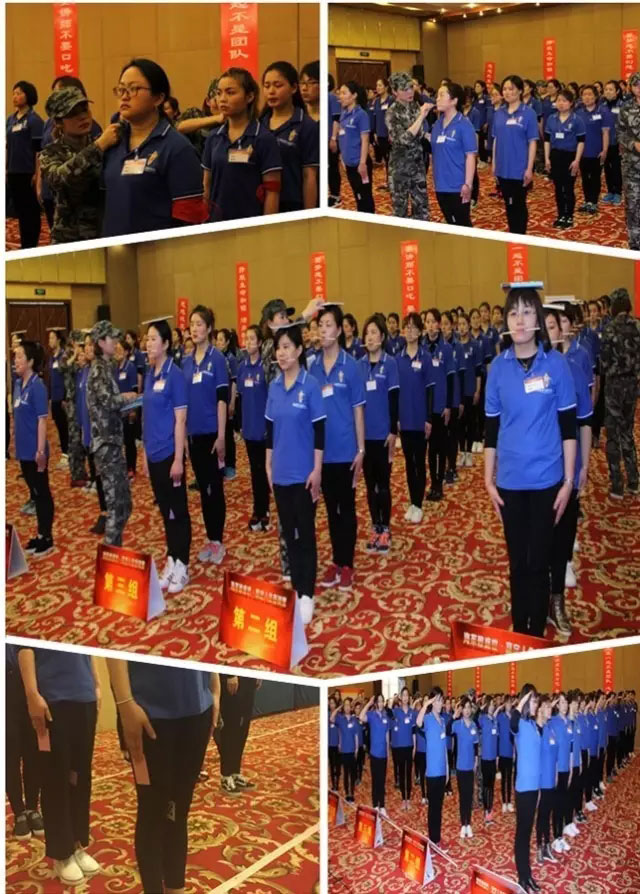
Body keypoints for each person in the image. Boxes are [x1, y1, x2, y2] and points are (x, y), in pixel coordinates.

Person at [484, 286, 577, 637]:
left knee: (538, 562)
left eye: (527, 312)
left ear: (538, 318)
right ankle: (520, 629)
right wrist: (488, 480)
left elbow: (568, 427)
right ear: (506, 321)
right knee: (517, 562)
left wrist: (568, 482)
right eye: (513, 313)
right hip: (509, 482)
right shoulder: (498, 368)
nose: (520, 320)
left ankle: (534, 632)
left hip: (546, 482)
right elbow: (491, 430)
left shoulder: (556, 365)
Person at [107, 659, 219, 894]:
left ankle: (175, 888)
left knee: (178, 811)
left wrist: (215, 689)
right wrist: (125, 704)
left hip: (198, 708)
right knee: (152, 812)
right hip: (151, 712)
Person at [17, 647, 101, 887]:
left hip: (84, 696)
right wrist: (32, 693)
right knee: (56, 778)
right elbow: (25, 648)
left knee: (80, 778)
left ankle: (77, 844)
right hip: (53, 699)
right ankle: (62, 854)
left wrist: (96, 684)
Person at [103, 58, 207, 236]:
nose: (125, 96)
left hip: (157, 249)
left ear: (158, 98)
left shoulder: (177, 148)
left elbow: (189, 220)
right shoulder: (113, 141)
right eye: (121, 89)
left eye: (134, 89)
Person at [265, 324, 326, 625]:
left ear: (300, 350)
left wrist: (317, 470)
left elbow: (319, 431)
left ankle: (307, 593)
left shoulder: (310, 385)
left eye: (288, 347)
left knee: (306, 534)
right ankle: (297, 587)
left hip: (304, 474)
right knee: (289, 534)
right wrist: (268, 465)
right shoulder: (274, 387)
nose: (282, 353)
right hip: (280, 473)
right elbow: (269, 430)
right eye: (279, 348)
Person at [544, 304, 592, 634]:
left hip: (568, 469)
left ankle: (557, 599)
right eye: (547, 326)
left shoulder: (574, 367)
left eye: (556, 325)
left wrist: (584, 464)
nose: (553, 331)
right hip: (538, 472)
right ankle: (539, 596)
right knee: (538, 538)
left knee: (563, 537)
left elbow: (585, 422)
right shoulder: (530, 371)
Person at [310, 304, 365, 593]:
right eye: (320, 325)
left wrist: (361, 450)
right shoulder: (313, 367)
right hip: (323, 452)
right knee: (331, 509)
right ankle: (336, 559)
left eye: (328, 325)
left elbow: (358, 410)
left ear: (340, 329)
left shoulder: (351, 366)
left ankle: (347, 564)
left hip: (346, 450)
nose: (323, 330)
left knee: (346, 508)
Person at [142, 317, 191, 594]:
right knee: (165, 510)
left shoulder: (175, 375)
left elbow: (180, 419)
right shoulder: (151, 374)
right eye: (147, 339)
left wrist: (178, 459)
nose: (148, 343)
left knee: (178, 510)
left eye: (153, 339)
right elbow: (147, 416)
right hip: (153, 453)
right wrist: (144, 453)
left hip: (170, 453)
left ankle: (182, 563)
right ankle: (172, 558)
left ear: (166, 344)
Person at [182, 305, 229, 564]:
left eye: (199, 324)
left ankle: (217, 541)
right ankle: (211, 539)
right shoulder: (186, 362)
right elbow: (184, 404)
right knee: (203, 489)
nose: (195, 329)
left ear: (209, 328)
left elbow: (222, 399)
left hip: (212, 433)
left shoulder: (217, 359)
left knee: (214, 489)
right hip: (194, 434)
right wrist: (184, 436)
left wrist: (221, 436)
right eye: (192, 324)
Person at [202, 67, 282, 221]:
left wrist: (268, 227)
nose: (222, 99)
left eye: (230, 92)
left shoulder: (264, 138)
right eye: (218, 93)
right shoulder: (213, 137)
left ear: (250, 96)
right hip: (217, 221)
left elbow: (272, 191)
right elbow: (206, 184)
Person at [38, 86, 116, 243]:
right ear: (59, 122)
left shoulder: (103, 145)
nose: (82, 117)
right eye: (73, 113)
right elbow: (59, 179)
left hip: (102, 232)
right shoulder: (50, 153)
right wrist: (98, 147)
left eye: (85, 110)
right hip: (69, 237)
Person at [86, 321, 137, 546]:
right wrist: (127, 398)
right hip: (106, 445)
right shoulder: (99, 369)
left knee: (124, 503)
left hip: (113, 441)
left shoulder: (106, 367)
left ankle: (115, 549)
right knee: (116, 505)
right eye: (111, 338)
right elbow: (109, 402)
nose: (116, 342)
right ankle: (111, 553)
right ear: (100, 342)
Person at [358, 315, 399, 552]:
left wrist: (393, 431)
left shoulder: (390, 363)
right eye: (367, 333)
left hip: (384, 436)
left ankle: (386, 529)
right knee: (370, 485)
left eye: (374, 332)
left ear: (382, 337)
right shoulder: (359, 365)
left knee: (383, 485)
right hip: (365, 437)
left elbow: (394, 399)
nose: (370, 337)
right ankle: (375, 526)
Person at [13, 340, 55, 557]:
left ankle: (47, 537)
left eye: (20, 356)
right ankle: (40, 534)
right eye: (15, 356)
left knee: (42, 492)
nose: (16, 360)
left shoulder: (37, 386)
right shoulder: (18, 385)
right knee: (34, 493)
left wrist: (40, 451)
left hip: (35, 451)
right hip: (23, 450)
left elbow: (42, 421)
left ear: (30, 361)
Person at [261, 61, 319, 211]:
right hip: (259, 203)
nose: (271, 91)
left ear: (293, 88)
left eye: (277, 85)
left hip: (291, 203)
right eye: (267, 86)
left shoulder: (306, 125)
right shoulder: (258, 124)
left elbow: (309, 176)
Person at [599, 287, 640, 498]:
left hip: (614, 386)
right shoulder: (638, 326)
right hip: (632, 384)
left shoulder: (609, 329)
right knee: (628, 431)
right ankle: (634, 481)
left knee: (613, 435)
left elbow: (604, 362)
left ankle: (617, 485)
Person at [396, 312, 433, 522]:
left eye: (413, 327)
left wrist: (429, 419)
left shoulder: (425, 358)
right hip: (404, 419)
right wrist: (396, 418)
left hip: (420, 420)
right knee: (409, 464)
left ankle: (418, 503)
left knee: (419, 462)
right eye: (407, 327)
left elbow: (430, 390)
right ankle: (412, 501)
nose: (409, 331)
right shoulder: (397, 359)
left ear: (420, 332)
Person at [491, 75, 538, 234]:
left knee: (518, 203)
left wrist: (529, 168)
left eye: (511, 89)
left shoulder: (528, 113)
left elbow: (532, 142)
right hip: (503, 166)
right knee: (508, 203)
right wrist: (494, 163)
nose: (507, 92)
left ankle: (520, 234)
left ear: (520, 91)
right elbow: (496, 139)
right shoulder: (499, 113)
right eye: (504, 89)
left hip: (520, 167)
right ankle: (513, 233)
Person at [6, 645, 43, 841]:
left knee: (33, 754)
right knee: (9, 758)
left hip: (28, 688)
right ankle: (19, 812)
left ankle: (32, 808)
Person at [237, 324, 270, 531]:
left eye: (252, 339)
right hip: (249, 428)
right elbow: (241, 398)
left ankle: (264, 510)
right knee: (254, 471)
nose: (248, 342)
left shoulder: (264, 368)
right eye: (246, 338)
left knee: (264, 471)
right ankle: (258, 509)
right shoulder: (242, 368)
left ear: (260, 343)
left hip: (264, 429)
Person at [385, 72, 431, 220]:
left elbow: (420, 133)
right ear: (395, 91)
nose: (410, 92)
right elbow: (403, 139)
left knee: (422, 208)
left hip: (417, 164)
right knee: (400, 211)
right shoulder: (392, 112)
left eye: (411, 87)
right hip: (400, 168)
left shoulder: (415, 106)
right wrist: (421, 117)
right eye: (404, 89)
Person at [431, 81, 477, 226]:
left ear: (454, 100)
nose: (437, 99)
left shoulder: (464, 124)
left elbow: (470, 156)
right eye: (437, 95)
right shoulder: (437, 125)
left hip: (458, 185)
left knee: (462, 225)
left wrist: (468, 184)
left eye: (442, 95)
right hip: (440, 184)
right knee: (451, 222)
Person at [510, 685, 541, 893]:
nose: (536, 704)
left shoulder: (533, 725)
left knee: (528, 832)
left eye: (536, 701)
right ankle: (522, 876)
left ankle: (528, 874)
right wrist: (523, 700)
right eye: (534, 700)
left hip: (534, 787)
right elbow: (513, 719)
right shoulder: (519, 723)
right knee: (522, 833)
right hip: (523, 787)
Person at [7, 80, 43, 248]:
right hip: (13, 171)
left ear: (28, 96)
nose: (15, 96)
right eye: (14, 93)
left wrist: (37, 173)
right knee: (20, 211)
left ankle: (31, 244)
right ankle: (24, 243)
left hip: (28, 172)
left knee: (31, 211)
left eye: (19, 93)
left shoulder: (34, 120)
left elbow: (38, 150)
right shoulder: (10, 120)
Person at [424, 309, 455, 502]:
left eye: (433, 322)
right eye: (427, 322)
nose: (430, 325)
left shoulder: (447, 348)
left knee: (440, 447)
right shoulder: (422, 348)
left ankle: (439, 485)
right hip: (426, 407)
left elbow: (451, 379)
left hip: (441, 406)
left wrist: (449, 406)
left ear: (439, 324)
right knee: (430, 448)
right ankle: (433, 482)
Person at [544, 89, 586, 229]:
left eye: (564, 101)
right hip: (555, 155)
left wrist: (577, 160)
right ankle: (561, 214)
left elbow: (581, 142)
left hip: (570, 156)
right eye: (558, 100)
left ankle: (569, 216)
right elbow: (547, 140)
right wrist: (547, 158)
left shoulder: (577, 120)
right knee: (558, 187)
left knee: (568, 187)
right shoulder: (551, 118)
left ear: (571, 103)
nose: (561, 103)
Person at [216, 675, 260, 796]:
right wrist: (230, 675)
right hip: (233, 677)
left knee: (243, 728)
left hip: (248, 678)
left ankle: (235, 772)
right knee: (230, 728)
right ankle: (225, 776)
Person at [415, 688, 449, 846]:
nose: (441, 703)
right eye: (438, 700)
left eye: (442, 700)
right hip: (432, 772)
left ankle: (437, 839)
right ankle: (433, 840)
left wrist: (447, 768)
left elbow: (444, 747)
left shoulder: (442, 721)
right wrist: (425, 704)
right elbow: (418, 722)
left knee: (439, 807)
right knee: (433, 808)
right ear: (433, 702)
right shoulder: (427, 719)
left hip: (442, 770)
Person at [337, 81, 375, 213]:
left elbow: (365, 140)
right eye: (340, 93)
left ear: (354, 95)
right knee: (357, 196)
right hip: (349, 164)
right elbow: (342, 136)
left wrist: (362, 163)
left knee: (365, 197)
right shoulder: (343, 114)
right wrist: (342, 158)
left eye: (344, 93)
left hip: (360, 164)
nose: (340, 96)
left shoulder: (361, 114)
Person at [576, 85, 611, 214]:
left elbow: (605, 133)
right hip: (582, 152)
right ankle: (587, 201)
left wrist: (605, 150)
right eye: (584, 94)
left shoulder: (603, 111)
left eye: (590, 94)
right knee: (585, 178)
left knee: (595, 178)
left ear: (596, 96)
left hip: (597, 151)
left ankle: (594, 202)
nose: (587, 97)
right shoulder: (578, 112)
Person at [617, 71, 640, 250]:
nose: (639, 88)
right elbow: (620, 133)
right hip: (632, 165)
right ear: (631, 87)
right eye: (636, 85)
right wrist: (633, 144)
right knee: (632, 205)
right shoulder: (625, 109)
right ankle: (635, 243)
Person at [457, 314, 482, 468]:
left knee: (471, 422)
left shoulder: (475, 345)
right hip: (458, 392)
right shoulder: (455, 346)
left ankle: (469, 453)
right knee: (460, 423)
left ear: (468, 326)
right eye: (459, 324)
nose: (462, 327)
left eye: (464, 324)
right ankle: (462, 452)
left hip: (471, 389)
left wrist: (478, 390)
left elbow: (478, 371)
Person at [536, 696, 559, 865]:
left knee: (548, 814)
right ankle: (540, 847)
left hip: (552, 779)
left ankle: (547, 846)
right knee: (541, 815)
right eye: (547, 707)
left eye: (551, 707)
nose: (550, 709)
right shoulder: (538, 730)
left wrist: (556, 774)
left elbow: (555, 755)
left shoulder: (550, 728)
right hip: (541, 781)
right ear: (539, 710)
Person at [451, 697, 479, 838]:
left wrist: (476, 761)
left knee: (469, 796)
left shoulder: (474, 725)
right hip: (461, 766)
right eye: (465, 707)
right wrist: (454, 715)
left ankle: (469, 824)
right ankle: (463, 824)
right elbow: (447, 730)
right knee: (463, 796)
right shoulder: (457, 724)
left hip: (470, 766)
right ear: (461, 709)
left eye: (469, 707)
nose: (467, 710)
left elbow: (475, 745)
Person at [176, 79, 224, 159]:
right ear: (208, 101)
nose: (220, 105)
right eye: (216, 101)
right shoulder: (194, 114)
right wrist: (217, 118)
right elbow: (178, 127)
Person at [359, 694, 391, 815]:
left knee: (382, 781)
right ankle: (375, 805)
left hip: (383, 754)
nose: (381, 703)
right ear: (376, 703)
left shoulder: (386, 716)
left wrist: (387, 752)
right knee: (375, 780)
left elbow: (387, 734)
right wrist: (368, 703)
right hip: (374, 754)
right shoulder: (371, 715)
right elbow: (361, 717)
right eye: (379, 701)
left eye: (382, 701)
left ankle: (382, 805)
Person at [113, 337, 139, 478]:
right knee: (119, 440)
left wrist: (133, 410)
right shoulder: (115, 368)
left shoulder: (131, 367)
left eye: (120, 350)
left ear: (126, 352)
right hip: (117, 410)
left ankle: (131, 467)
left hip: (129, 409)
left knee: (129, 441)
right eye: (115, 350)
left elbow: (135, 391)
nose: (117, 352)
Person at [216, 328, 238, 479]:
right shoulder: (216, 358)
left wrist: (232, 402)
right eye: (217, 340)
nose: (218, 343)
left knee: (228, 435)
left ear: (227, 342)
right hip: (218, 403)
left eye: (221, 340)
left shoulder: (231, 359)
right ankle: (220, 465)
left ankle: (231, 465)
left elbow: (234, 381)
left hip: (228, 400)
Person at [46, 328, 69, 467]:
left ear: (58, 340)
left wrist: (65, 397)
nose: (50, 341)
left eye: (52, 338)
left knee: (65, 427)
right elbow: (50, 379)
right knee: (59, 427)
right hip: (54, 398)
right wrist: (49, 398)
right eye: (49, 338)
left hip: (62, 398)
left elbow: (66, 377)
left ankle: (67, 454)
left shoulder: (63, 356)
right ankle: (65, 453)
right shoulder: (51, 358)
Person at [330, 698, 359, 803]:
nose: (347, 707)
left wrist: (356, 748)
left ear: (351, 707)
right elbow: (331, 718)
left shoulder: (354, 720)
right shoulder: (340, 719)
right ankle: (347, 793)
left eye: (348, 705)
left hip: (352, 751)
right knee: (346, 773)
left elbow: (356, 735)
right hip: (344, 751)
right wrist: (339, 708)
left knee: (352, 773)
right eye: (345, 705)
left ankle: (352, 793)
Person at [602, 80, 624, 204]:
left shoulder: (622, 105)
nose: (608, 92)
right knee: (607, 168)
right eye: (606, 89)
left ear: (617, 91)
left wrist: (622, 142)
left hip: (617, 142)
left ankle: (618, 192)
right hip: (605, 143)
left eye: (611, 89)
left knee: (616, 168)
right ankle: (610, 190)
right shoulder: (602, 106)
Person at [478, 697, 498, 823]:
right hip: (485, 757)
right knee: (486, 786)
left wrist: (497, 756)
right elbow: (474, 718)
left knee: (492, 785)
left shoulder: (495, 720)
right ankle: (486, 810)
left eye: (493, 705)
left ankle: (490, 810)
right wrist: (480, 708)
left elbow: (497, 738)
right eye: (489, 705)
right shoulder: (482, 719)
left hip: (493, 757)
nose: (492, 707)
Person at [372, 78, 393, 188]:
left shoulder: (391, 100)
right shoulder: (376, 101)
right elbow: (375, 117)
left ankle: (393, 182)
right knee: (386, 158)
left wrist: (391, 132)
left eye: (380, 85)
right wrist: (375, 132)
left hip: (389, 134)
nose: (377, 87)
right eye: (377, 85)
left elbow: (393, 118)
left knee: (391, 159)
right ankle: (389, 181)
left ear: (386, 87)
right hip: (380, 134)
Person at [496, 696, 515, 812]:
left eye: (510, 703)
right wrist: (499, 708)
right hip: (502, 752)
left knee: (509, 778)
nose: (508, 705)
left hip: (511, 752)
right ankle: (504, 802)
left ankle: (509, 801)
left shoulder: (513, 717)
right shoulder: (500, 717)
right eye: (507, 703)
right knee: (503, 779)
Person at [328, 74, 342, 207]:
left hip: (331, 138)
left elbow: (336, 119)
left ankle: (336, 195)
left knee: (332, 167)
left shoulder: (332, 97)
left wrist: (333, 138)